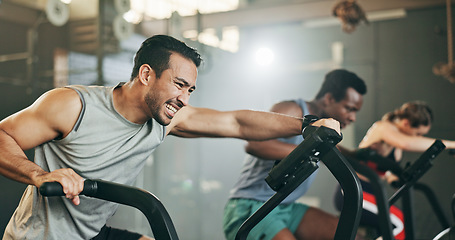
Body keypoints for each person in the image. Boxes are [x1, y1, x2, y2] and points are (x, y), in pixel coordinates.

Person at [0, 35, 341, 240]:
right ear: (147, 74)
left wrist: (307, 125)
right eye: (179, 85)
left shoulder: (165, 118)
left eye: (191, 89)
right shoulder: (72, 105)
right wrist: (40, 175)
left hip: (92, 234)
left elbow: (236, 123)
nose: (185, 99)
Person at [223, 69, 367, 240]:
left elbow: (338, 153)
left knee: (352, 236)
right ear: (329, 99)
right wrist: (309, 150)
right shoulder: (292, 109)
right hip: (250, 207)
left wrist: (366, 153)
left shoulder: (323, 131)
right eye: (349, 108)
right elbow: (255, 144)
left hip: (286, 206)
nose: (353, 118)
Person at [333, 101, 455, 240]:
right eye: (418, 133)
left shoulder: (396, 143)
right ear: (406, 123)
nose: (418, 137)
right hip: (353, 192)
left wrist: (393, 178)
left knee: (393, 224)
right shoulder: (383, 128)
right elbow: (407, 143)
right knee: (399, 224)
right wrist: (452, 144)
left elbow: (385, 168)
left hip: (371, 193)